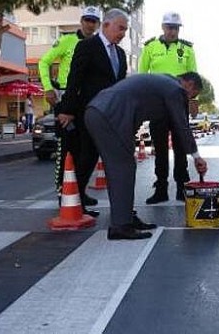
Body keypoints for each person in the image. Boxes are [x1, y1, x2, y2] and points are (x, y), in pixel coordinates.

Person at [84, 72, 208, 240]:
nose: (187, 100)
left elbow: (142, 108)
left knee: (120, 167)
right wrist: (196, 156)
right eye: (191, 96)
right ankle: (121, 225)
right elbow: (181, 124)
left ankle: (125, 217)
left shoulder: (162, 82)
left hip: (99, 110)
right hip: (109, 114)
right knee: (122, 168)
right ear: (190, 85)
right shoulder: (175, 89)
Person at [56, 8, 129, 217]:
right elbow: (74, 79)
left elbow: (119, 85)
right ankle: (73, 199)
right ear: (106, 25)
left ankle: (83, 196)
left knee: (99, 156)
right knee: (86, 155)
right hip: (87, 112)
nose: (123, 33)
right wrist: (68, 109)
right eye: (120, 28)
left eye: (125, 29)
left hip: (109, 115)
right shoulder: (87, 46)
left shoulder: (121, 54)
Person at [38, 6, 101, 200]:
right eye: (87, 20)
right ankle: (62, 191)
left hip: (88, 99)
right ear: (81, 21)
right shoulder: (67, 41)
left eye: (93, 21)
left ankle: (79, 190)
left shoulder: (100, 44)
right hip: (67, 98)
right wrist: (48, 87)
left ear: (98, 24)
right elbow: (43, 62)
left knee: (87, 148)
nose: (90, 24)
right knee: (66, 146)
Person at [138, 11, 198, 204]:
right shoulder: (150, 47)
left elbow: (193, 78)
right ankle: (161, 187)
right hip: (157, 104)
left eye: (176, 28)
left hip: (179, 102)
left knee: (181, 147)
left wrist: (193, 101)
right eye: (170, 27)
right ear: (163, 27)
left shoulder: (187, 48)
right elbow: (142, 76)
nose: (173, 31)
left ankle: (182, 187)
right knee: (160, 148)